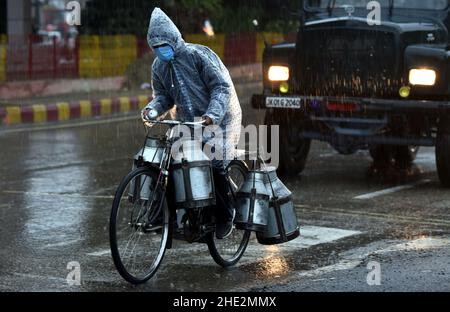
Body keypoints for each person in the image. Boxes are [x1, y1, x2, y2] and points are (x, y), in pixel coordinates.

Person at [141, 8, 242, 239]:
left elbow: (221, 88)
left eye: (164, 44)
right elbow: (164, 97)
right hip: (190, 123)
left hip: (222, 118)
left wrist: (211, 115)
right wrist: (153, 110)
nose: (161, 50)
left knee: (215, 160)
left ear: (174, 39)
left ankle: (226, 214)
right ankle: (164, 217)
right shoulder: (158, 67)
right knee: (169, 162)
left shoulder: (199, 55)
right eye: (156, 47)